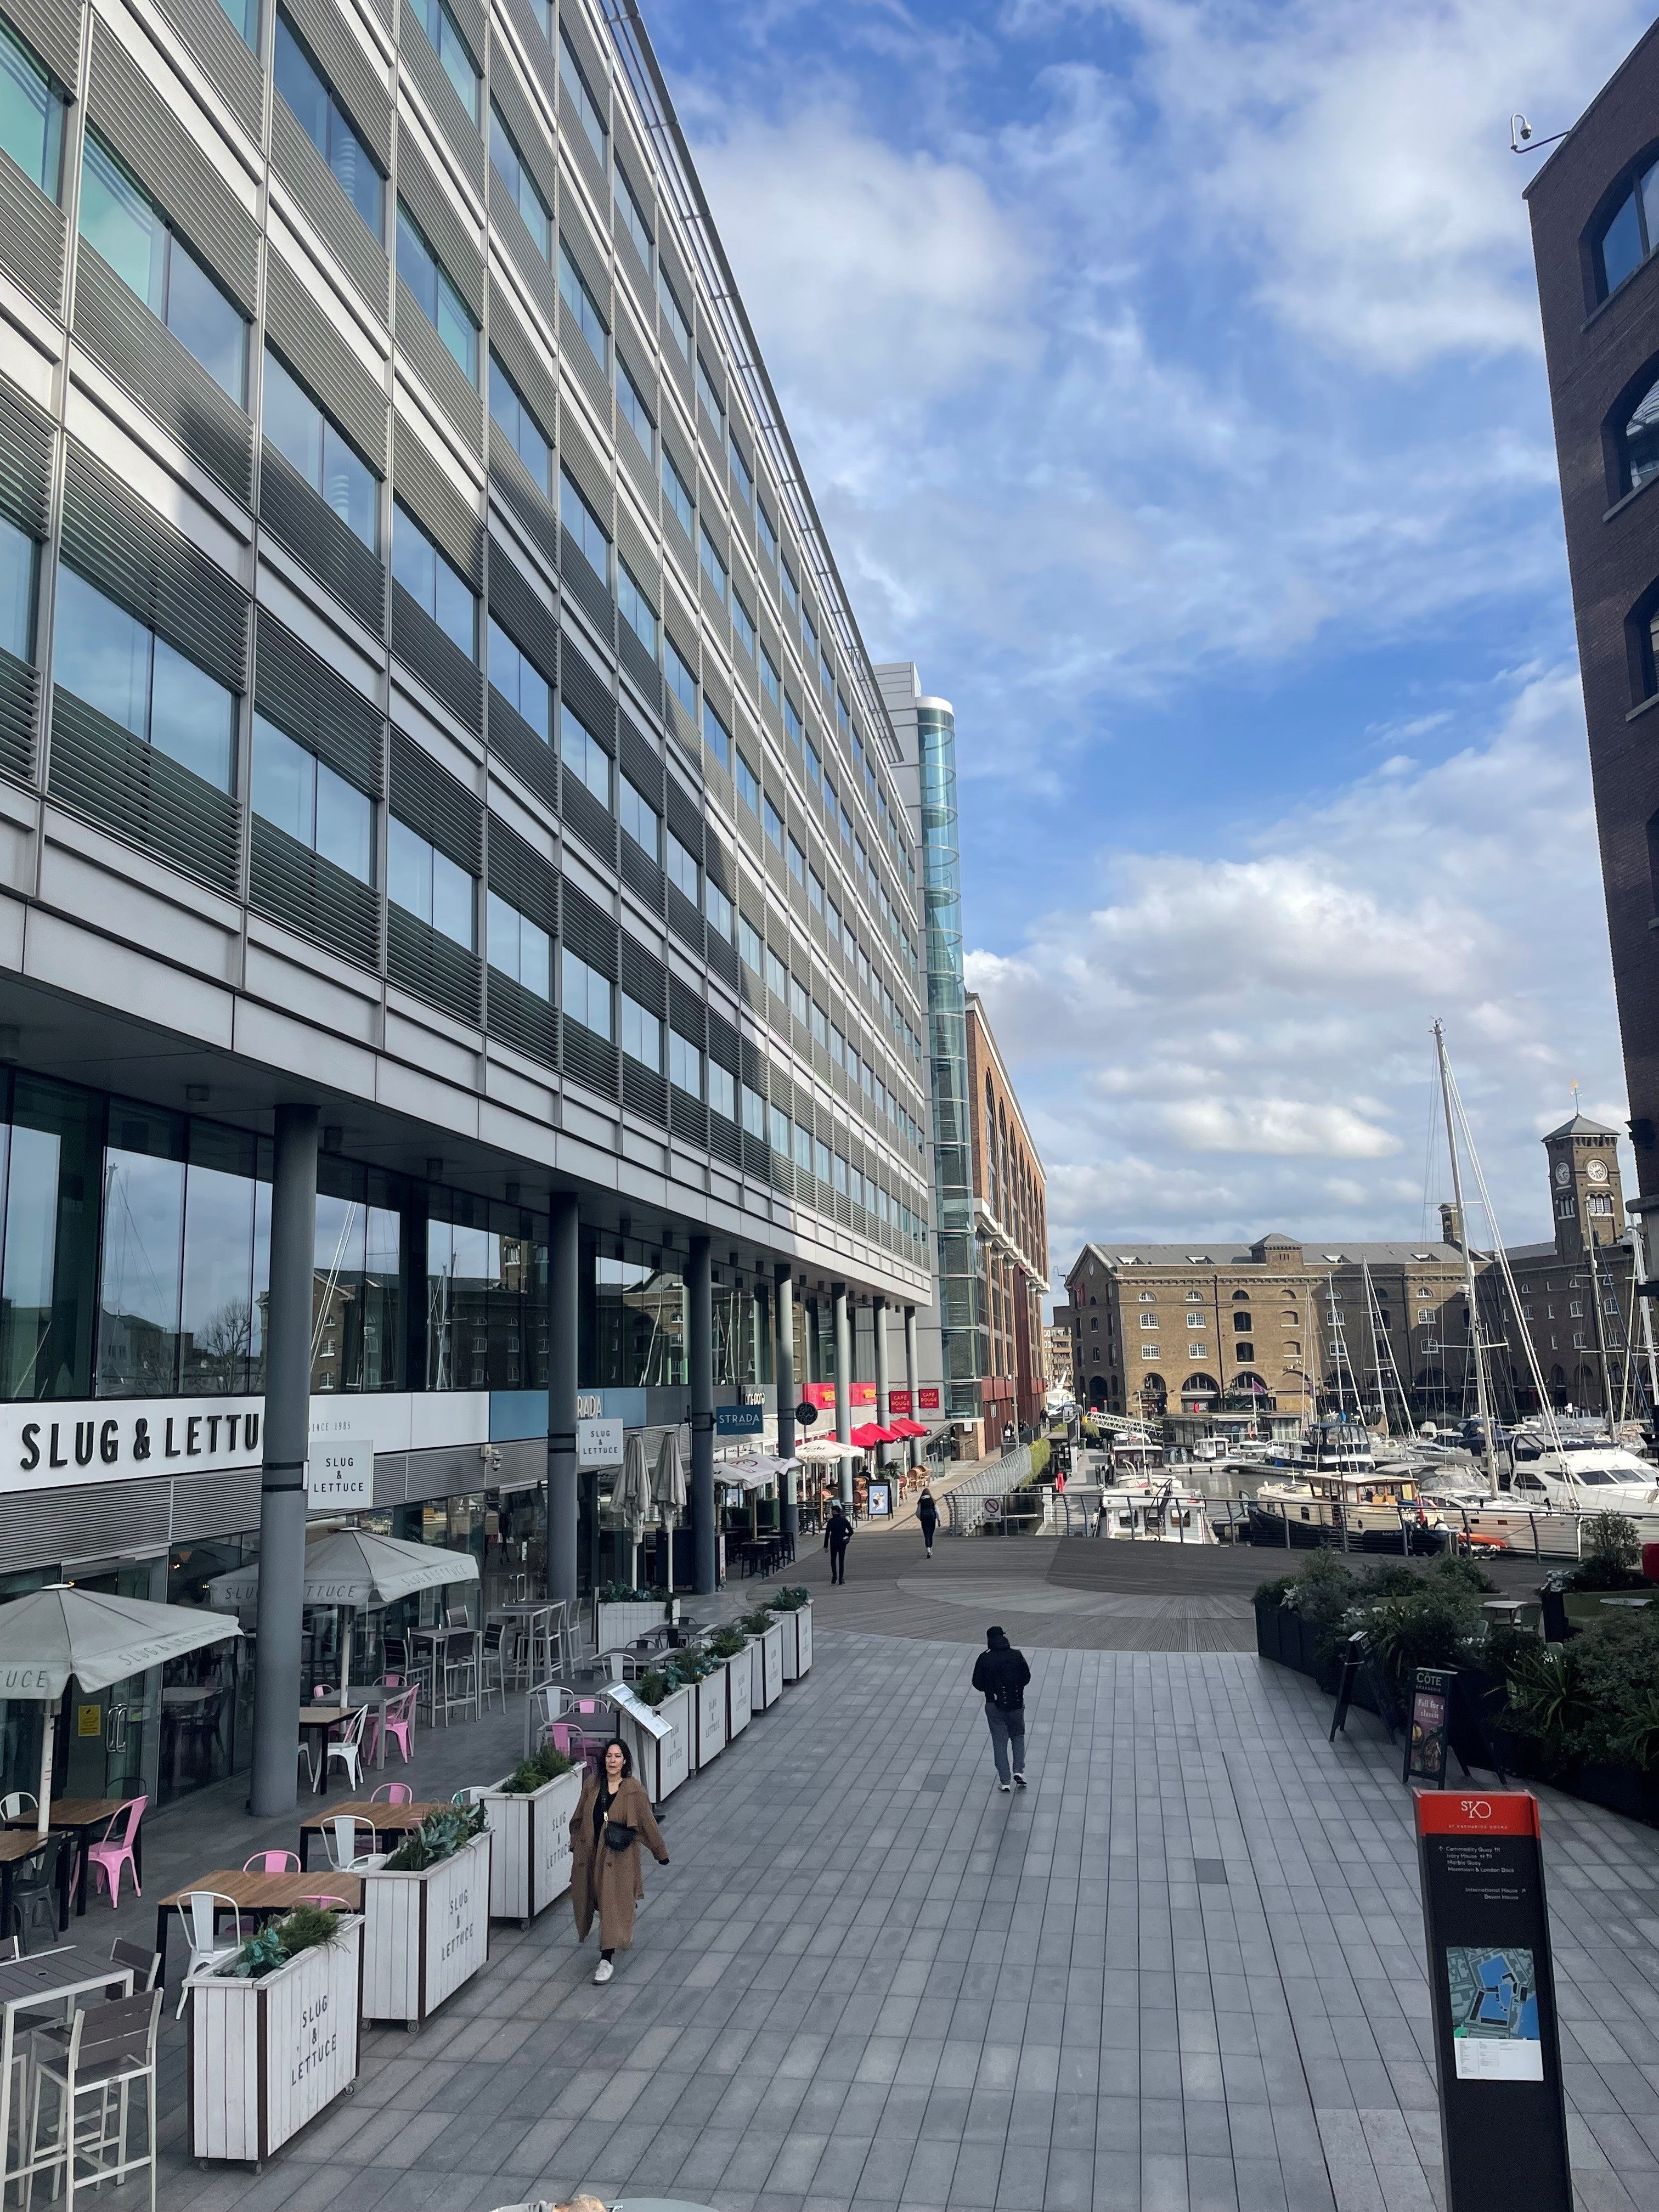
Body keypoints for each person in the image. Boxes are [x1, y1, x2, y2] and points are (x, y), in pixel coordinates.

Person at [569, 1737, 669, 1984]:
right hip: (591, 1855)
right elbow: (579, 1817)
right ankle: (623, 1908)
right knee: (591, 1898)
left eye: (617, 1756)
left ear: (625, 1761)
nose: (612, 1761)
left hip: (618, 1858)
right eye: (609, 1756)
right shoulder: (593, 1784)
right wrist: (576, 1844)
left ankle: (606, 1959)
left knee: (611, 1905)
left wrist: (660, 1852)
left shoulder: (633, 1790)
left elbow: (648, 1823)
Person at [971, 1624, 1030, 1791]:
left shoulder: (984, 1658)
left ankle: (1005, 1781)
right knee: (1018, 1737)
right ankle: (1019, 1771)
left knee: (1000, 1742)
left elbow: (977, 1683)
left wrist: (991, 1690)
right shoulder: (1017, 1655)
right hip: (1017, 1705)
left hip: (994, 1706)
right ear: (1004, 1637)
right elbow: (1026, 1678)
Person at [825, 1500, 853, 1583]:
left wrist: (826, 1546)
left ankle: (834, 1577)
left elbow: (827, 1534)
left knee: (833, 1560)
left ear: (834, 1512)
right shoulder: (844, 1520)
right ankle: (841, 1579)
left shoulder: (831, 1521)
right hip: (842, 1541)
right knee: (841, 1560)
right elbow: (851, 1531)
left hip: (833, 1541)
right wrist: (846, 1535)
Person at [917, 1487, 939, 1558]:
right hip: (932, 1518)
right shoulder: (932, 1501)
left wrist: (921, 1519)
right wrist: (939, 1520)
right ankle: (931, 1549)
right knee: (931, 1535)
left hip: (924, 1519)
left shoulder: (921, 1502)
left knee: (926, 1534)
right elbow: (937, 1511)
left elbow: (918, 1512)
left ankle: (928, 1550)